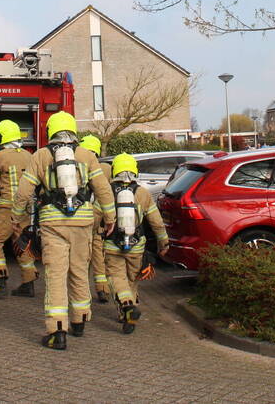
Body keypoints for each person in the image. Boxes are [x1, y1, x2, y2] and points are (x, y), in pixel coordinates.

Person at [11, 111, 115, 350]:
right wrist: (110, 218)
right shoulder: (87, 155)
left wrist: (17, 218)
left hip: (53, 224)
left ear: (51, 131)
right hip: (83, 223)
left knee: (56, 275)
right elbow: (102, 190)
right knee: (79, 271)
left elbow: (24, 192)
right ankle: (80, 321)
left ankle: (57, 330)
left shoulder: (39, 156)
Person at [102, 153, 169, 333]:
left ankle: (127, 307)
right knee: (132, 280)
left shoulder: (106, 192)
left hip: (112, 246)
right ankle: (128, 313)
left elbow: (95, 218)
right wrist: (164, 242)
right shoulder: (143, 193)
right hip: (137, 246)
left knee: (116, 278)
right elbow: (156, 221)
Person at [0, 119, 38, 299]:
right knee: (20, 242)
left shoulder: (0, 156)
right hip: (26, 207)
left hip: (7, 207)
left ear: (2, 136)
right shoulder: (29, 155)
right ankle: (28, 283)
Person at [78, 134, 113, 303]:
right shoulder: (106, 168)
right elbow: (107, 193)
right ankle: (102, 289)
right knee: (98, 253)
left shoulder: (79, 164)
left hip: (81, 217)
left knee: (81, 256)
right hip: (98, 218)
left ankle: (81, 291)